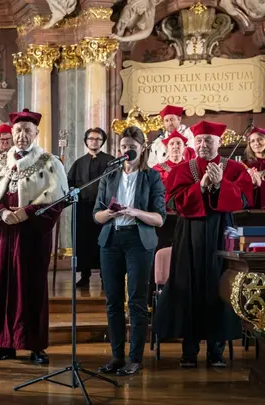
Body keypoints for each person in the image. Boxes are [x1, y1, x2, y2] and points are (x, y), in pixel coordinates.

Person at [154, 120, 253, 368]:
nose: (203, 145)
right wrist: (200, 187)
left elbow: (243, 199)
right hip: (189, 234)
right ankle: (189, 350)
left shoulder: (233, 168)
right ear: (193, 143)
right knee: (188, 286)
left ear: (219, 143)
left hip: (222, 232)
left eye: (208, 140)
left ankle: (216, 351)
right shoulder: (183, 169)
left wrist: (221, 185)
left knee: (220, 286)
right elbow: (172, 203)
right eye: (198, 141)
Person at [0, 108, 68, 365]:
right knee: (2, 289)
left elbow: (58, 200)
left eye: (27, 131)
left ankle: (35, 345)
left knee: (32, 289)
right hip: (3, 236)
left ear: (36, 134)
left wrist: (28, 212)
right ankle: (4, 343)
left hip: (32, 237)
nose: (22, 135)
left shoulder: (50, 162)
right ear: (12, 133)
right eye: (18, 131)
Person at [94, 126, 166, 377]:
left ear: (142, 149)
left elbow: (159, 219)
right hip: (111, 240)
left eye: (132, 148)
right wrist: (110, 213)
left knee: (135, 302)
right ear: (119, 150)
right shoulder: (109, 175)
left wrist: (135, 212)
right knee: (112, 302)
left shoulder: (151, 177)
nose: (127, 151)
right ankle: (117, 356)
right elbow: (97, 216)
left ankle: (135, 358)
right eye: (123, 147)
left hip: (138, 240)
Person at [67, 128, 114, 288]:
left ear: (103, 141)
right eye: (91, 138)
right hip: (83, 209)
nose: (94, 141)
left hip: (104, 209)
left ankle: (105, 276)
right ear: (86, 141)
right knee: (83, 242)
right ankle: (84, 276)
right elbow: (70, 183)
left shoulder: (111, 161)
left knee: (104, 242)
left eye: (98, 139)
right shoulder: (79, 162)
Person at [243, 127, 265, 209]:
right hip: (249, 211)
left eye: (260, 139)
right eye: (252, 141)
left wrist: (261, 184)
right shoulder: (244, 164)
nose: (256, 143)